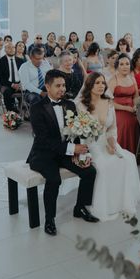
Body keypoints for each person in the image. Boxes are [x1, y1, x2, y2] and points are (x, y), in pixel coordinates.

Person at [26, 70, 98, 236]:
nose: (62, 89)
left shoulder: (69, 105)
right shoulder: (37, 108)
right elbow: (43, 140)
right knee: (54, 179)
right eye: (58, 86)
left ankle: (80, 208)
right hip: (43, 154)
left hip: (65, 152)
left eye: (64, 85)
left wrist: (81, 154)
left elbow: (75, 132)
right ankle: (49, 219)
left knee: (90, 171)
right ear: (47, 86)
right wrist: (72, 150)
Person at [76, 73, 140, 221]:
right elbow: (82, 133)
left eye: (103, 83)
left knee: (127, 159)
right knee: (104, 165)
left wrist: (112, 144)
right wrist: (96, 146)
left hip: (107, 140)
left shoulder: (109, 102)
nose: (101, 86)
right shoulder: (81, 104)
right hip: (90, 143)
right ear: (89, 86)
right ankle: (104, 204)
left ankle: (119, 202)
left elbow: (112, 129)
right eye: (97, 83)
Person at [108, 54, 139, 154]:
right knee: (125, 122)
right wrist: (126, 108)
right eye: (122, 64)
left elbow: (136, 96)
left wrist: (135, 105)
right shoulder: (113, 80)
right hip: (117, 110)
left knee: (139, 121)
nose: (125, 66)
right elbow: (108, 101)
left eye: (127, 64)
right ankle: (122, 152)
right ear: (117, 66)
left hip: (132, 109)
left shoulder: (132, 78)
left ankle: (137, 152)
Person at [0, 42, 25, 113]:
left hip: (19, 84)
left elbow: (25, 75)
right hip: (6, 84)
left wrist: (21, 84)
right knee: (7, 92)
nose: (11, 49)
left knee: (29, 90)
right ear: (5, 50)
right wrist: (12, 84)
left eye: (13, 47)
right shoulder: (0, 62)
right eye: (9, 47)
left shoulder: (20, 61)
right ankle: (11, 113)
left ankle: (24, 110)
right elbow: (0, 78)